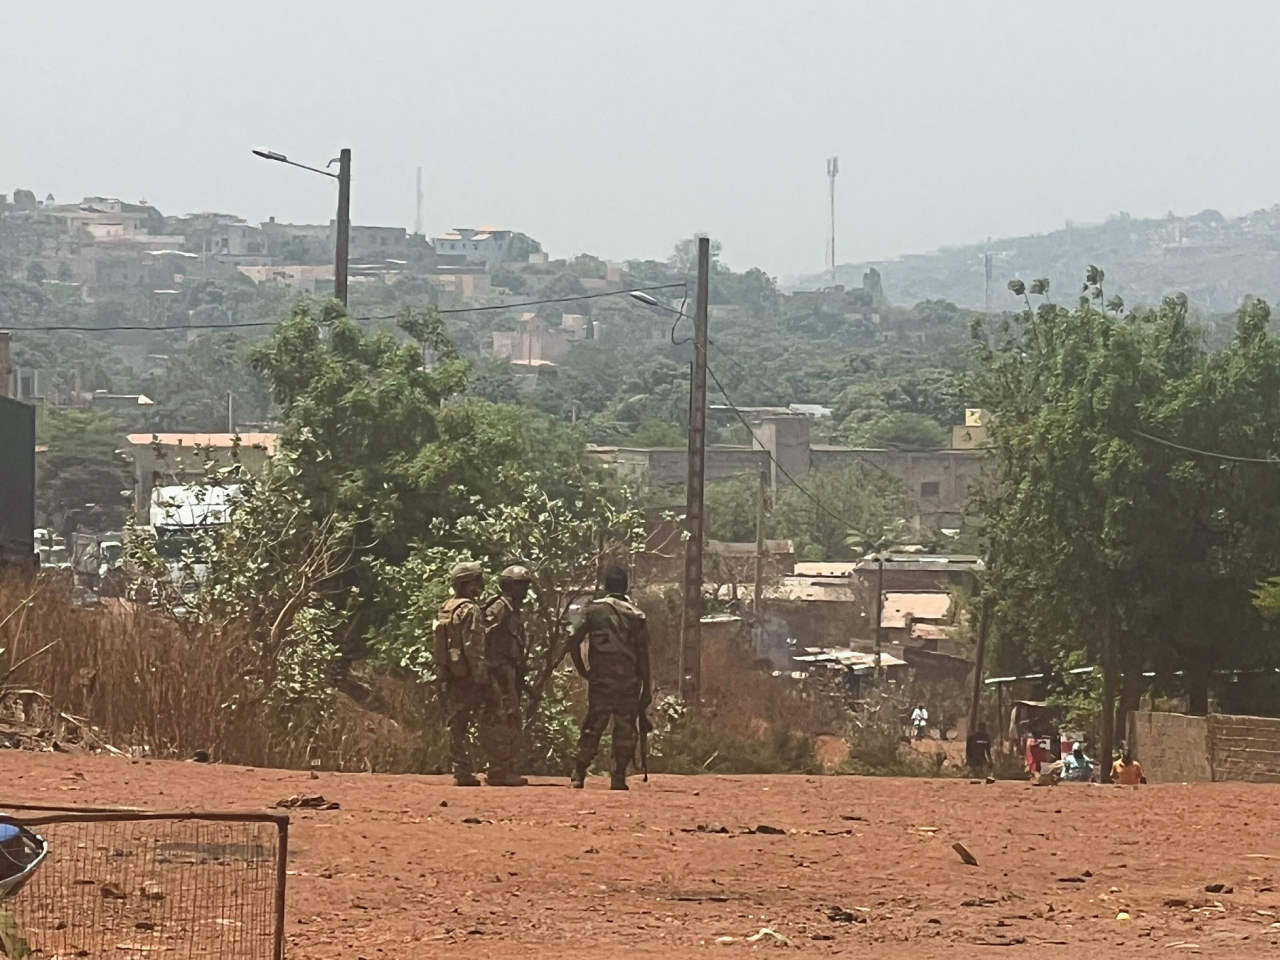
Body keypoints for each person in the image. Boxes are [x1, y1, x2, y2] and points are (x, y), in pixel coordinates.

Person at [568, 563, 651, 791]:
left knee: (593, 726)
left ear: (605, 586)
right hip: (629, 683)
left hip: (601, 681)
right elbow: (643, 655)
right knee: (625, 729)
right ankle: (618, 776)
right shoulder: (635, 615)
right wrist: (647, 687)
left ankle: (579, 773)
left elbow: (572, 641)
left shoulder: (592, 611)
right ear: (625, 586)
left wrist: (582, 669)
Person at [434, 561, 489, 786]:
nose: (482, 584)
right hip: (467, 674)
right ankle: (476, 769)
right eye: (478, 580)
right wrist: (481, 677)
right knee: (489, 716)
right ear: (468, 585)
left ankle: (460, 768)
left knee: (455, 723)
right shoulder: (471, 609)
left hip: (450, 672)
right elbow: (473, 647)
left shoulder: (447, 607)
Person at [482, 565, 533, 787]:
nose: (524, 589)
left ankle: (504, 767)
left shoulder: (513, 609)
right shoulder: (500, 607)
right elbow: (482, 634)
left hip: (509, 671)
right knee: (502, 717)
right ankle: (498, 770)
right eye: (519, 585)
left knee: (510, 717)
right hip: (499, 671)